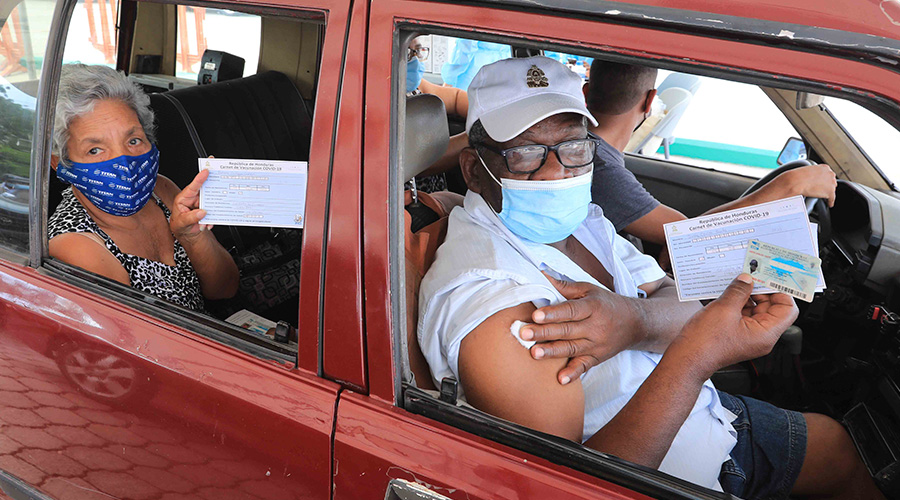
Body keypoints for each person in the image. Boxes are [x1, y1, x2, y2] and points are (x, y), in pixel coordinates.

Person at [418, 56, 882, 498]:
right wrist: (696, 356)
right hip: (673, 472)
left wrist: (634, 321)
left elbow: (671, 289)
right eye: (525, 153)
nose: (558, 171)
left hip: (706, 422)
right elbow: (574, 489)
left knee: (842, 450)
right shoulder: (493, 300)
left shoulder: (579, 220)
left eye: (575, 147)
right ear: (472, 171)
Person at [583, 60, 838, 269]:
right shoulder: (598, 166)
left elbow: (680, 236)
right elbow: (688, 236)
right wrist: (790, 184)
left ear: (585, 94)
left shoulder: (588, 152)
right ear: (650, 101)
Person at [48, 64, 239, 312]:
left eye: (134, 140)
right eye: (95, 149)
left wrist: (192, 236)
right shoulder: (76, 244)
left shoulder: (161, 188)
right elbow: (135, 342)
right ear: (59, 162)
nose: (125, 162)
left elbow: (225, 289)